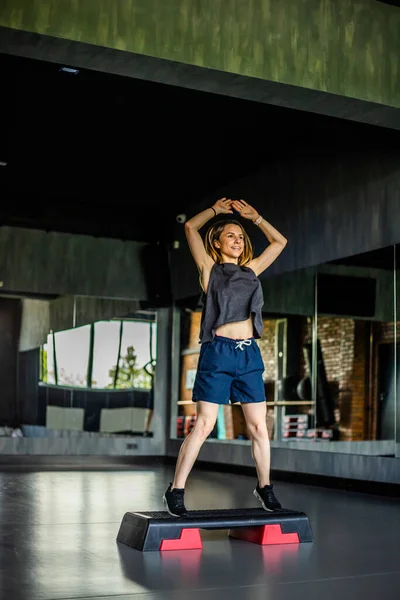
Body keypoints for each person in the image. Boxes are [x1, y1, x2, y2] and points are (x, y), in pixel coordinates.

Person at [163, 197, 287, 516]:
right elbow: (190, 226)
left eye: (240, 236)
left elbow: (279, 242)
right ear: (217, 243)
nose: (237, 240)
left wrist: (255, 217)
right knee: (204, 424)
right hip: (217, 353)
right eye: (230, 235)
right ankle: (176, 490)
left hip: (248, 355)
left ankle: (264, 487)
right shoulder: (210, 270)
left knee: (259, 428)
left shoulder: (251, 270)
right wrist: (217, 212)